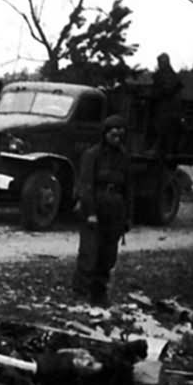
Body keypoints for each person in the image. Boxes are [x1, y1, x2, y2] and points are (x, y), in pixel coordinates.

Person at [73, 114, 133, 307]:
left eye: (120, 135)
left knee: (108, 255)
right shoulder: (92, 155)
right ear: (105, 133)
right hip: (95, 208)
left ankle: (99, 293)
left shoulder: (124, 157)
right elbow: (86, 185)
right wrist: (90, 212)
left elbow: (129, 189)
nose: (117, 139)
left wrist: (127, 217)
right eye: (113, 134)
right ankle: (81, 293)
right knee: (89, 252)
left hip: (115, 210)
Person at [149, 52, 184, 160]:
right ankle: (163, 150)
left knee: (163, 128)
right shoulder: (167, 75)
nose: (159, 64)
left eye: (161, 62)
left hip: (167, 108)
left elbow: (167, 90)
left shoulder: (168, 76)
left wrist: (155, 93)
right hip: (167, 108)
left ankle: (160, 150)